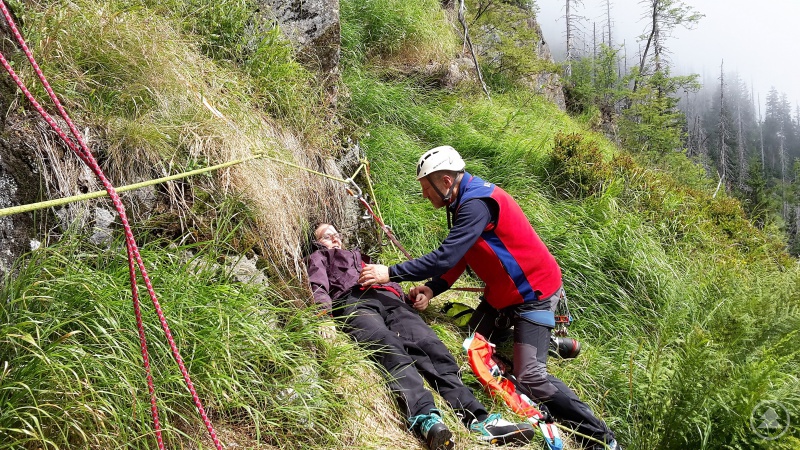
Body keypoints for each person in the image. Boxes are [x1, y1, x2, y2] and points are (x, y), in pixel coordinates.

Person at [358, 146, 619, 450]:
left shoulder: (476, 205)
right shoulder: (462, 198)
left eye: (426, 188)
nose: (424, 195)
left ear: (445, 182)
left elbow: (446, 256)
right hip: (503, 294)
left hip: (532, 293)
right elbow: (462, 253)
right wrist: (433, 288)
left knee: (530, 377)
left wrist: (390, 272)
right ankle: (543, 342)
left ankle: (602, 439)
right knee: (474, 343)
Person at [305, 223, 536, 450]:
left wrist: (414, 297)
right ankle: (426, 418)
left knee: (431, 347)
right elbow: (318, 285)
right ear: (317, 243)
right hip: (354, 302)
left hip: (393, 302)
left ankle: (479, 418)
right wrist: (323, 315)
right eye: (327, 236)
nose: (335, 238)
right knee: (387, 346)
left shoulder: (364, 259)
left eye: (336, 233)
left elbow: (392, 284)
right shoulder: (320, 257)